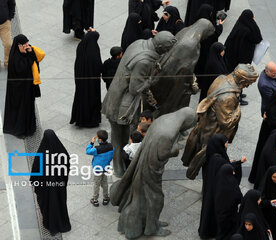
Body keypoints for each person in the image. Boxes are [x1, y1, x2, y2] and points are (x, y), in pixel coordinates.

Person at [110, 107, 196, 239]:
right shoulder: (167, 133)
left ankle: (151, 223)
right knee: (156, 199)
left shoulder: (163, 119)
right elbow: (163, 153)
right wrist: (175, 149)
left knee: (146, 199)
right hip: (149, 171)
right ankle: (151, 228)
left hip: (144, 163)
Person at [101, 31, 177, 177]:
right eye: (166, 50)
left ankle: (120, 165)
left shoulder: (139, 43)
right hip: (123, 103)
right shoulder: (145, 61)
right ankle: (120, 167)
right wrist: (152, 79)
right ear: (160, 47)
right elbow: (135, 88)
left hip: (116, 96)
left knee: (120, 135)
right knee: (120, 136)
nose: (166, 53)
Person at [182, 64, 258, 180]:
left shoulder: (221, 78)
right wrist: (238, 111)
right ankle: (209, 190)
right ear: (242, 80)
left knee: (210, 164)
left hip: (206, 126)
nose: (247, 86)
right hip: (214, 133)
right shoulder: (228, 97)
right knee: (211, 164)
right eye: (248, 83)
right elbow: (226, 123)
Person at [30, 129, 71, 235]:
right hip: (59, 187)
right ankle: (61, 222)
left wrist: (33, 181)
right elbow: (67, 166)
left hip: (45, 188)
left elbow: (36, 169)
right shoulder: (62, 152)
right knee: (59, 203)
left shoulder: (42, 155)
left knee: (47, 204)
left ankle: (49, 223)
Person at [3, 34, 44, 137]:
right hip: (19, 91)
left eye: (27, 43)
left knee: (28, 107)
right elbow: (24, 68)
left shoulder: (26, 51)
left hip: (27, 88)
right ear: (18, 46)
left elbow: (35, 60)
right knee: (21, 109)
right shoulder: (14, 58)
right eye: (24, 44)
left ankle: (29, 127)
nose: (27, 46)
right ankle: (20, 129)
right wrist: (27, 55)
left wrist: (29, 52)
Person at [224, 9, 262, 106]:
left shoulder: (240, 24)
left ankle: (238, 94)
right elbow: (257, 38)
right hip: (241, 59)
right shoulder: (247, 30)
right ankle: (237, 98)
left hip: (234, 57)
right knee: (239, 78)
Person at [198, 134, 232, 239]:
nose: (227, 144)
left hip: (210, 188)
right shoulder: (219, 159)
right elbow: (227, 171)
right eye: (225, 142)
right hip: (217, 190)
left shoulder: (212, 154)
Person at [70, 29, 102, 128]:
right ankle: (91, 120)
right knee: (91, 98)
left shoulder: (81, 46)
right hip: (92, 83)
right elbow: (99, 66)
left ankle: (80, 118)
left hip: (80, 79)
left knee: (81, 97)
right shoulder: (94, 51)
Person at [194, 3, 224, 96]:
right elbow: (215, 33)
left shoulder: (198, 22)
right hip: (206, 51)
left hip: (198, 51)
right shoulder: (208, 27)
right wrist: (220, 25)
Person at [214, 164, 243, 240]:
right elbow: (239, 197)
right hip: (230, 213)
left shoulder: (218, 180)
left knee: (222, 230)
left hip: (220, 212)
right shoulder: (232, 183)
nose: (233, 173)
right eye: (232, 171)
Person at [86, 130, 114, 207]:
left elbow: (88, 151)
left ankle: (95, 199)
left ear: (100, 140)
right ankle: (106, 197)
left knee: (96, 184)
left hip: (97, 169)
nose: (96, 138)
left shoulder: (97, 149)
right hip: (106, 168)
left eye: (97, 137)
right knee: (104, 183)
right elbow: (111, 156)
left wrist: (91, 143)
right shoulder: (111, 147)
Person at [0, 0, 15, 67]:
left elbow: (12, 4)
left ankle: (8, 62)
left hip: (4, 24)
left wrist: (9, 18)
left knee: (8, 44)